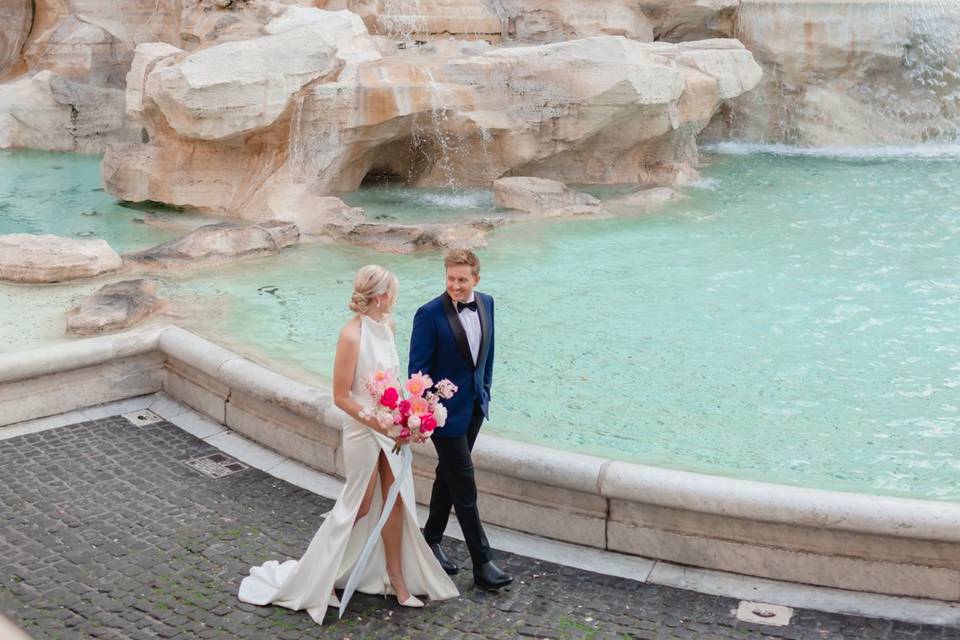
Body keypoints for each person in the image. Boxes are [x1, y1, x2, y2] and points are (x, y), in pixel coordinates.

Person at [238, 265, 458, 624]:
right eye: (393, 292)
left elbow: (393, 381)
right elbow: (341, 397)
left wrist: (408, 416)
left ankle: (396, 579)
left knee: (397, 501)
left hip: (389, 428)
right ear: (381, 296)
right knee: (359, 503)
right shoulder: (351, 336)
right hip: (362, 430)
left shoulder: (386, 328)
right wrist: (382, 424)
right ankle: (320, 576)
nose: (395, 298)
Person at [408, 250, 513, 590]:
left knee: (448, 476)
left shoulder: (487, 303)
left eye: (462, 279)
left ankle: (431, 539)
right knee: (464, 484)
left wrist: (485, 390)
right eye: (450, 278)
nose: (455, 285)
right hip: (444, 418)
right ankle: (483, 564)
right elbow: (418, 372)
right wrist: (427, 413)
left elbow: (489, 353)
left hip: (475, 409)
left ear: (476, 280)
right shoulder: (428, 314)